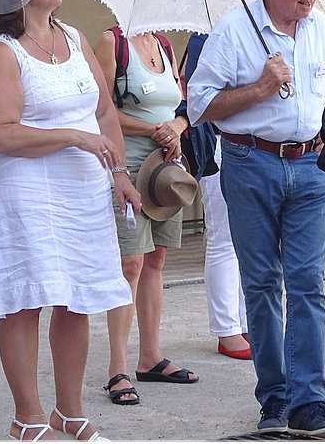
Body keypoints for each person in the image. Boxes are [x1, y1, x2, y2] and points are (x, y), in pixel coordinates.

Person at [0, 0, 138, 441]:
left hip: (83, 189)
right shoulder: (1, 53)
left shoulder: (75, 38)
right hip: (30, 190)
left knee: (76, 297)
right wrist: (73, 139)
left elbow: (103, 112)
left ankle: (70, 412)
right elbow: (2, 134)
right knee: (27, 298)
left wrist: (120, 173)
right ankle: (28, 416)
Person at [187, 0, 325, 439]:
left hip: (310, 165)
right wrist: (259, 86)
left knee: (307, 284)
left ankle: (310, 401)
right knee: (261, 285)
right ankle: (274, 399)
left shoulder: (318, 27)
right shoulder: (234, 30)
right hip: (249, 161)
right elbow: (199, 106)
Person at [93, 25, 199, 407]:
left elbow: (179, 108)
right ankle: (117, 368)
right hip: (128, 165)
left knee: (155, 259)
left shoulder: (164, 46)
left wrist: (177, 127)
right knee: (130, 263)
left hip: (164, 168)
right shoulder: (112, 43)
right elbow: (98, 108)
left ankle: (150, 356)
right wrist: (154, 130)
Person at [185, 32, 251, 361]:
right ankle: (227, 329)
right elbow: (198, 98)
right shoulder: (208, 34)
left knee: (249, 243)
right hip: (221, 146)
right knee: (224, 238)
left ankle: (243, 321)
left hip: (252, 148)